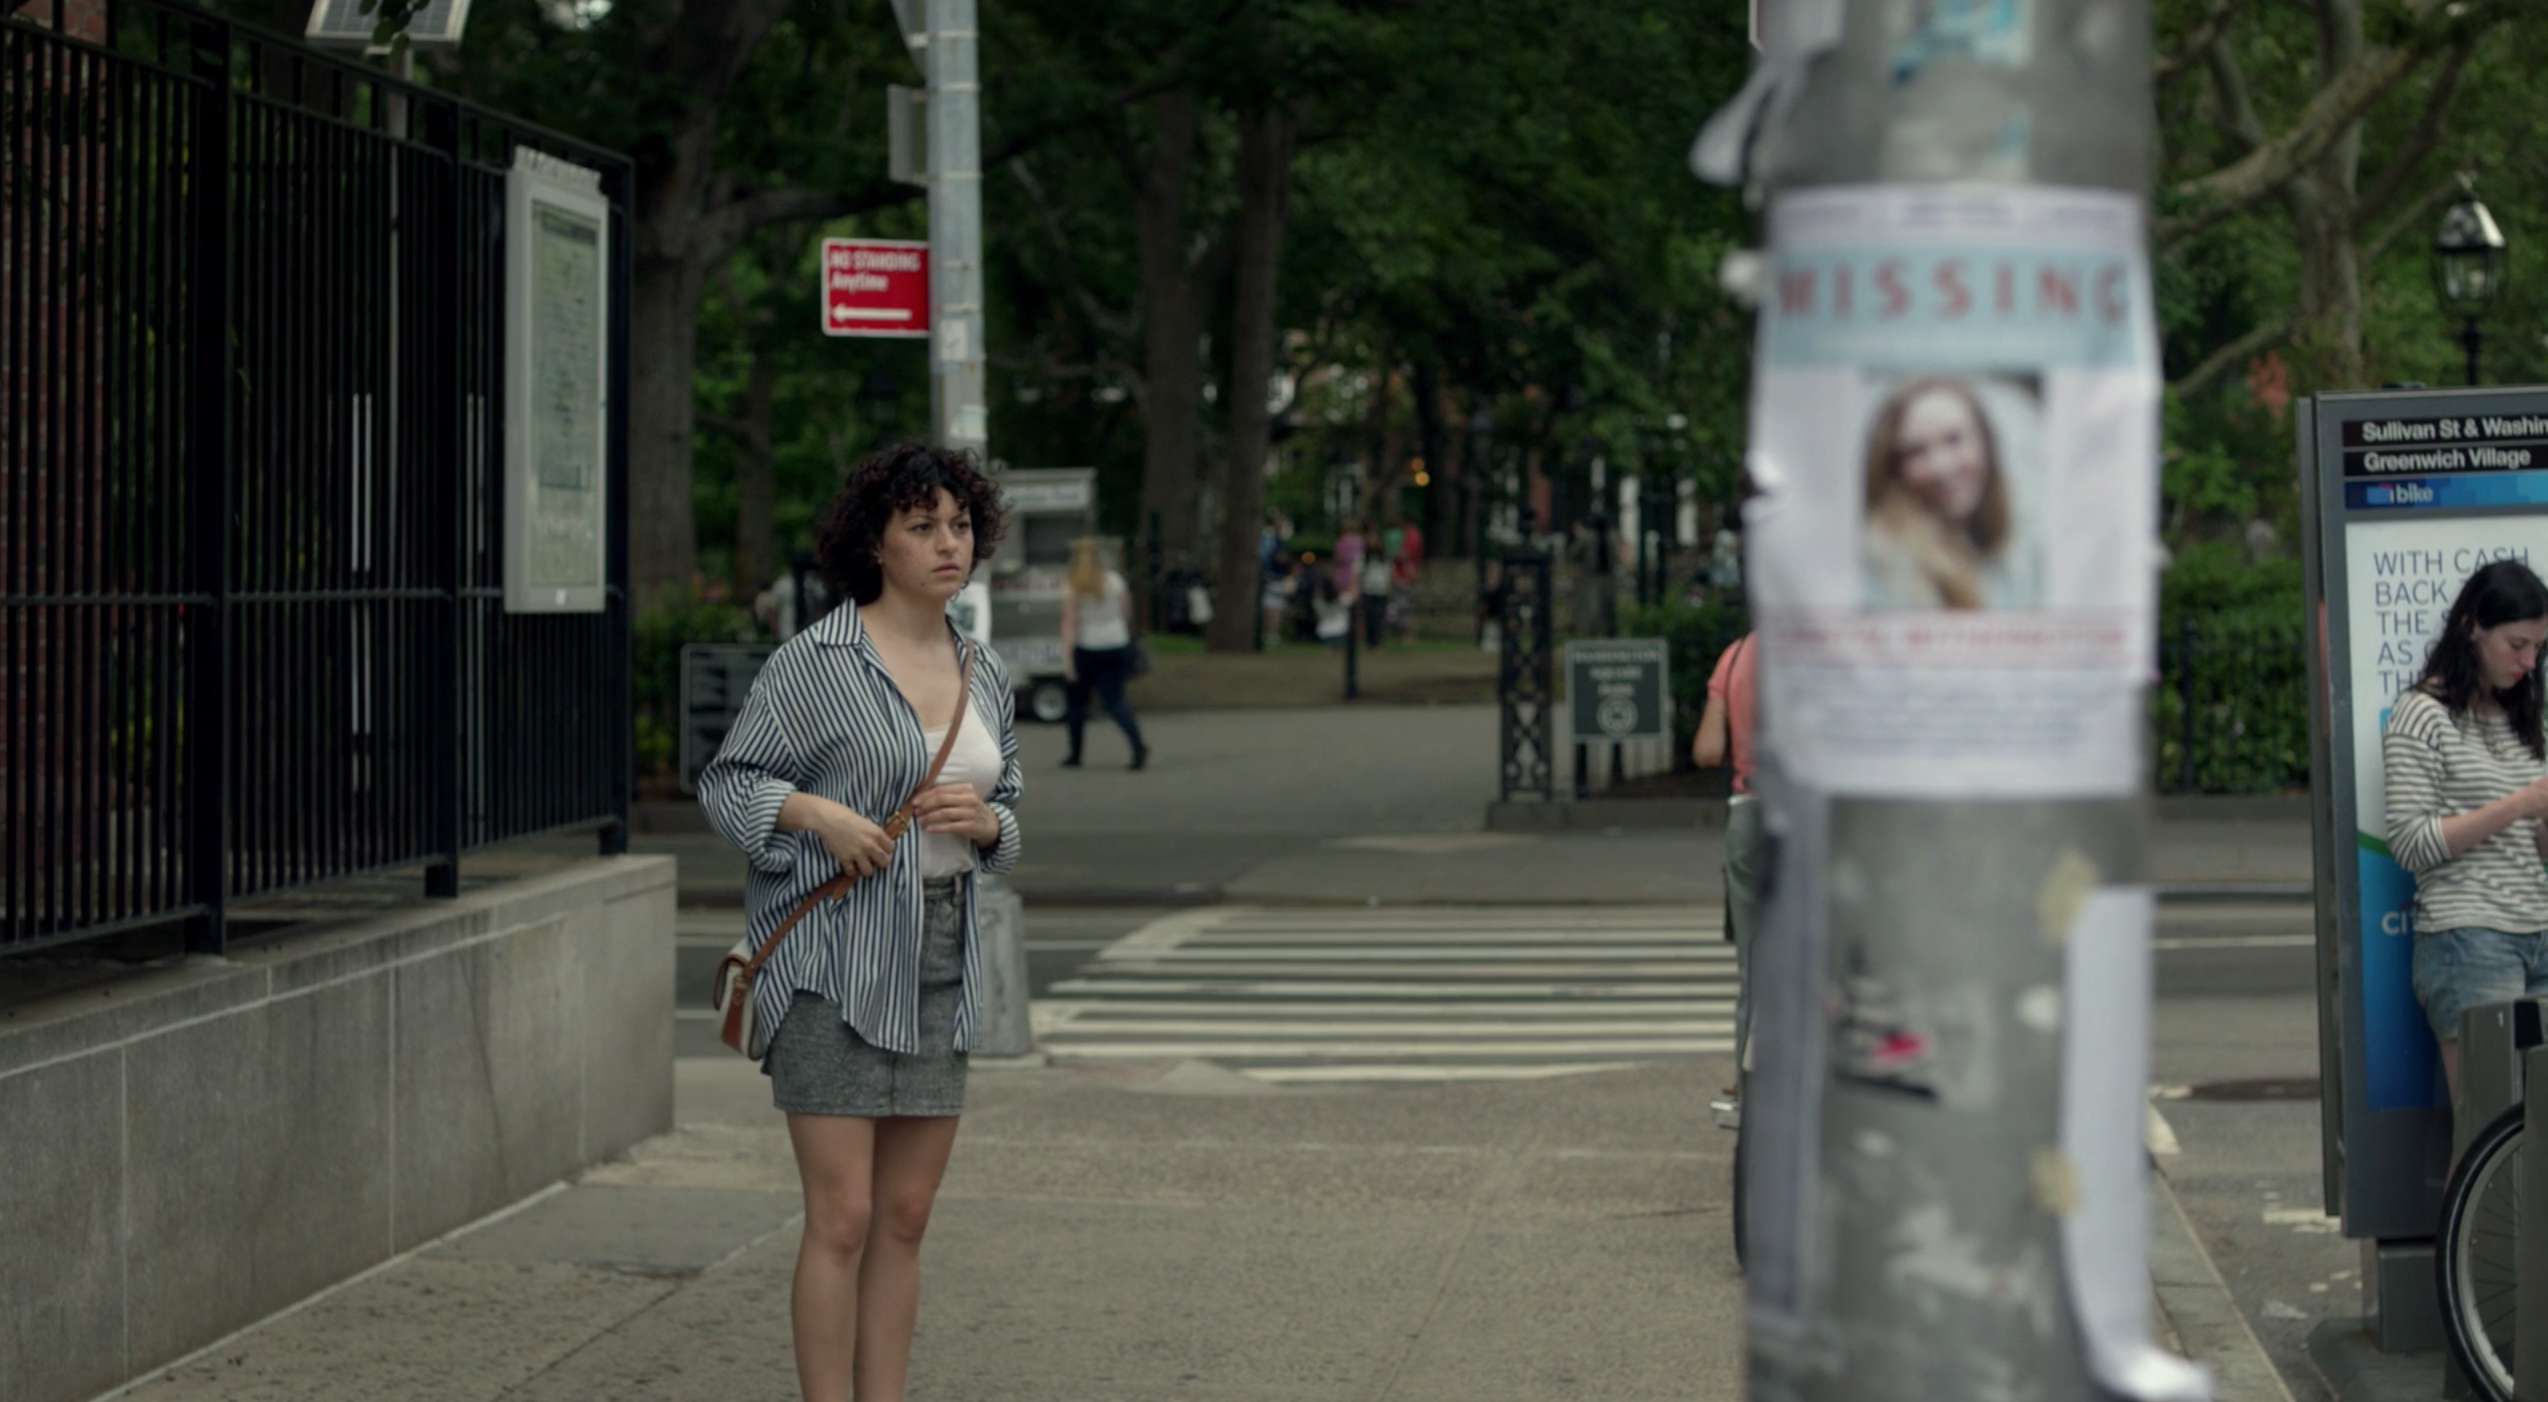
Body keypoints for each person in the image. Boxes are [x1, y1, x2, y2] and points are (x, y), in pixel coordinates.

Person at [696, 442, 1022, 1402]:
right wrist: (815, 814)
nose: (946, 543)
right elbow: (729, 783)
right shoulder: (818, 662)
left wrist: (989, 819)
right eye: (921, 525)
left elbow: (1011, 807)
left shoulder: (982, 667)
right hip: (836, 963)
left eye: (959, 524)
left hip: (942, 956)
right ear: (876, 544)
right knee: (840, 1216)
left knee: (908, 1215)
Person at [2382, 559, 2548, 1096]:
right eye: (2517, 644)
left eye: (2539, 648)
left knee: (2536, 1135)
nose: (2529, 661)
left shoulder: (2525, 715)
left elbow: (2536, 845)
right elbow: (2409, 842)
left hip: (2538, 925)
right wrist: (2519, 803)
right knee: (2490, 1127)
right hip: (2470, 936)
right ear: (2472, 627)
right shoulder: (2421, 714)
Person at [1860, 377, 2031, 610]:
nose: (1941, 467)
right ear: (1893, 467)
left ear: (1986, 443)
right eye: (1915, 452)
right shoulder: (1882, 568)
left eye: (1954, 439)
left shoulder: (2008, 541)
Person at [1693, 631, 1761, 1098]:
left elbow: (1707, 751)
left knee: (1754, 963)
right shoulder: (1820, 653)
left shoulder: (1734, 655)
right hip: (1810, 817)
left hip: (1750, 814)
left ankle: (1748, 1074)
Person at [1061, 536, 1148, 770]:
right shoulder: (1115, 580)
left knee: (1077, 703)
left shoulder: (1073, 585)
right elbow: (1126, 612)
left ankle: (1076, 754)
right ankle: (1138, 745)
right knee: (1115, 700)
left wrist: (1068, 660)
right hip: (1116, 644)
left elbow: (1069, 624)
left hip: (1087, 647)